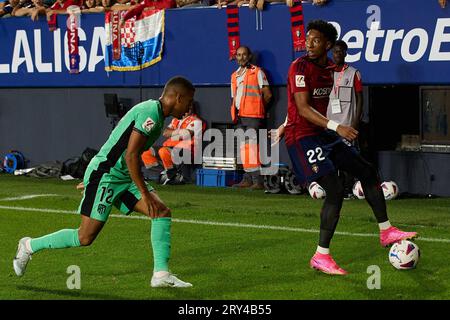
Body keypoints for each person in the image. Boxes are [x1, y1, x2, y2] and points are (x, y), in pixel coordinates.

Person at [13, 76, 195, 288]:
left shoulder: (157, 115)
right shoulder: (150, 113)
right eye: (188, 101)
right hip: (107, 176)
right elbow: (131, 156)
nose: (189, 107)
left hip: (121, 176)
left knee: (161, 212)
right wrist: (135, 190)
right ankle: (28, 245)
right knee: (85, 237)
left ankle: (161, 274)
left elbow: (119, 144)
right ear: (178, 97)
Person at [282, 19, 417, 275]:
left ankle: (386, 231)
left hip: (321, 134)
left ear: (328, 44)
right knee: (334, 188)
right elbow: (301, 108)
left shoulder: (332, 69)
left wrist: (332, 127)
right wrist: (337, 126)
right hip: (301, 137)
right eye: (308, 38)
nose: (309, 43)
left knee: (366, 171)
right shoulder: (298, 67)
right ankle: (321, 256)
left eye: (316, 40)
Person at [230, 45, 272, 190]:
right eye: (238, 55)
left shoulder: (258, 72)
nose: (241, 57)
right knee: (244, 148)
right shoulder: (234, 75)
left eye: (244, 54)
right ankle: (247, 179)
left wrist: (260, 108)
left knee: (252, 147)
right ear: (236, 57)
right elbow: (234, 97)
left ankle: (258, 181)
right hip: (240, 115)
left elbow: (268, 94)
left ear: (249, 56)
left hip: (253, 116)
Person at [326, 39, 363, 199]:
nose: (337, 54)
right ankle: (334, 189)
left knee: (348, 158)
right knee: (330, 158)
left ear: (345, 53)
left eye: (340, 51)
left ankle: (348, 189)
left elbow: (360, 99)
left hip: (347, 124)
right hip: (329, 124)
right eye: (335, 51)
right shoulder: (326, 72)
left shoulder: (353, 73)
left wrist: (355, 123)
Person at [142, 102, 205, 185]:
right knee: (147, 151)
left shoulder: (196, 121)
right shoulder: (175, 120)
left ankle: (171, 175)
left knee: (163, 151)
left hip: (186, 150)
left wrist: (172, 134)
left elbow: (187, 134)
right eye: (186, 106)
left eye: (190, 106)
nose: (188, 108)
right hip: (170, 147)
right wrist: (179, 133)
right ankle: (166, 173)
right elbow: (165, 133)